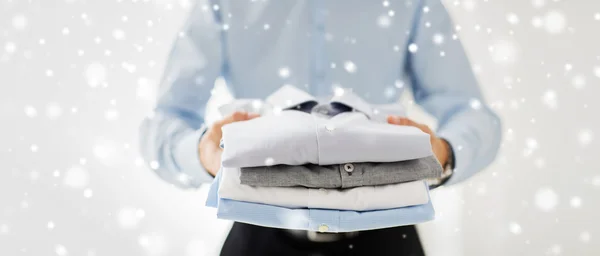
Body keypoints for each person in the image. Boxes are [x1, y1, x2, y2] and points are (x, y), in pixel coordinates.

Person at [139, 0, 502, 255]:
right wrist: (202, 153)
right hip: (258, 237)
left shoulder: (411, 2)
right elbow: (166, 119)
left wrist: (444, 154)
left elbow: (474, 116)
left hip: (387, 238)